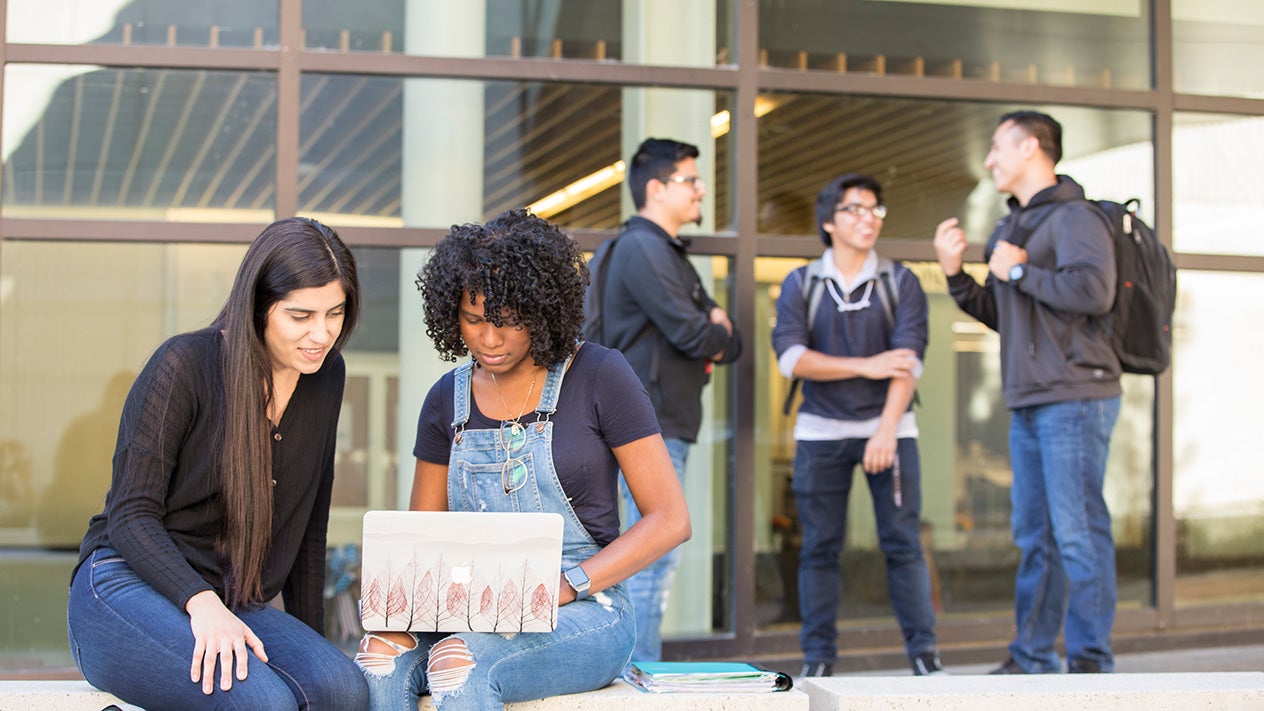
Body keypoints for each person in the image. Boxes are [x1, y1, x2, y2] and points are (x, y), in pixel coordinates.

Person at [355, 208, 691, 710]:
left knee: (460, 665)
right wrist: (402, 599)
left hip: (585, 607)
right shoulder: (445, 400)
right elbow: (426, 536)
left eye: (510, 323)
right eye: (473, 320)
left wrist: (567, 584)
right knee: (378, 658)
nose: (489, 340)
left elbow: (671, 519)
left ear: (543, 310)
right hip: (471, 606)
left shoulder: (601, 375)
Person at [66, 217, 369, 709]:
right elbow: (130, 515)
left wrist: (309, 645)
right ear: (258, 307)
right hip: (123, 589)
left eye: (334, 312)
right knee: (262, 702)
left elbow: (309, 524)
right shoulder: (184, 365)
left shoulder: (325, 375)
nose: (322, 333)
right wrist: (201, 604)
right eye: (300, 316)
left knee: (343, 690)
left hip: (229, 599)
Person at [933, 110, 1121, 674]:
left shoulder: (1075, 218)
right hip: (1031, 399)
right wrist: (956, 276)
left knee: (1078, 532)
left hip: (1076, 395)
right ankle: (1033, 655)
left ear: (1031, 148)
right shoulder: (1013, 228)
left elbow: (1095, 290)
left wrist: (1019, 274)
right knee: (1036, 535)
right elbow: (1003, 314)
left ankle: (1091, 660)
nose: (989, 160)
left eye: (997, 148)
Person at [771, 173, 942, 678]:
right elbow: (792, 359)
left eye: (875, 210)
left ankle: (925, 655)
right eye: (855, 209)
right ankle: (819, 658)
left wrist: (886, 430)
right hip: (820, 433)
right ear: (829, 222)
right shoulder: (803, 283)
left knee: (902, 543)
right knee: (820, 547)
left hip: (890, 429)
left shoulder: (900, 280)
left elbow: (908, 363)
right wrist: (866, 365)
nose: (868, 218)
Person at [592, 137, 741, 663]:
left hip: (652, 421)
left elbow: (719, 334)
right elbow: (698, 333)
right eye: (690, 180)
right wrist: (714, 328)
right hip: (647, 426)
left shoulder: (659, 252)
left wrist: (716, 329)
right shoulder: (644, 250)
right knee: (649, 565)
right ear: (656, 188)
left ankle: (633, 678)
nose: (701, 190)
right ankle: (637, 683)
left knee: (647, 563)